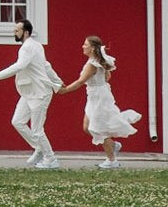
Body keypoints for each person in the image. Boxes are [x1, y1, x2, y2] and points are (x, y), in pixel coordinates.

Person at [0, 18, 65, 167]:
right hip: (28, 92)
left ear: (26, 33)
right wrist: (58, 81)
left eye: (17, 30)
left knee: (37, 130)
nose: (14, 32)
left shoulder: (27, 48)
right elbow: (46, 66)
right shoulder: (36, 46)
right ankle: (39, 148)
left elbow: (20, 66)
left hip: (40, 93)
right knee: (17, 121)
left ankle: (51, 159)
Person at [59, 34, 142, 169]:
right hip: (96, 95)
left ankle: (111, 160)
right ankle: (113, 145)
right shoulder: (98, 61)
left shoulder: (92, 64)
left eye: (85, 44)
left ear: (92, 48)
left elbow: (81, 81)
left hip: (98, 98)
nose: (83, 46)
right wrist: (98, 85)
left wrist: (65, 90)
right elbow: (107, 76)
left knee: (98, 128)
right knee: (87, 127)